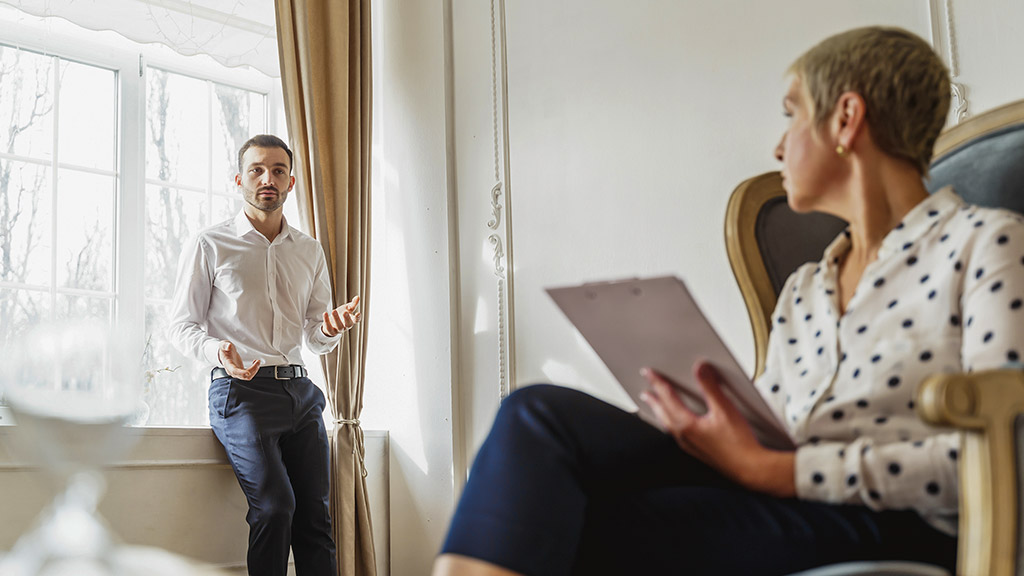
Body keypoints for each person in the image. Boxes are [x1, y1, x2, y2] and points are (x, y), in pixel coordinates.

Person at [433, 26, 1024, 576]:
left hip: (894, 520)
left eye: (792, 114)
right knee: (537, 416)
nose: (777, 145)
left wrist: (783, 471)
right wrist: (701, 422)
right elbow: (769, 426)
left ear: (846, 119)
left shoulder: (985, 243)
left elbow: (1007, 447)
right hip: (775, 489)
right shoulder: (806, 287)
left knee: (580, 527)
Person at [169, 134, 361, 576]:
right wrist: (220, 352)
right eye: (256, 170)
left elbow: (314, 334)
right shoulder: (209, 244)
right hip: (240, 393)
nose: (267, 179)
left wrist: (329, 329)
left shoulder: (310, 251)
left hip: (301, 393)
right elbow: (181, 326)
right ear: (239, 180)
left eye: (277, 171)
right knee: (275, 508)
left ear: (291, 182)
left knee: (315, 520)